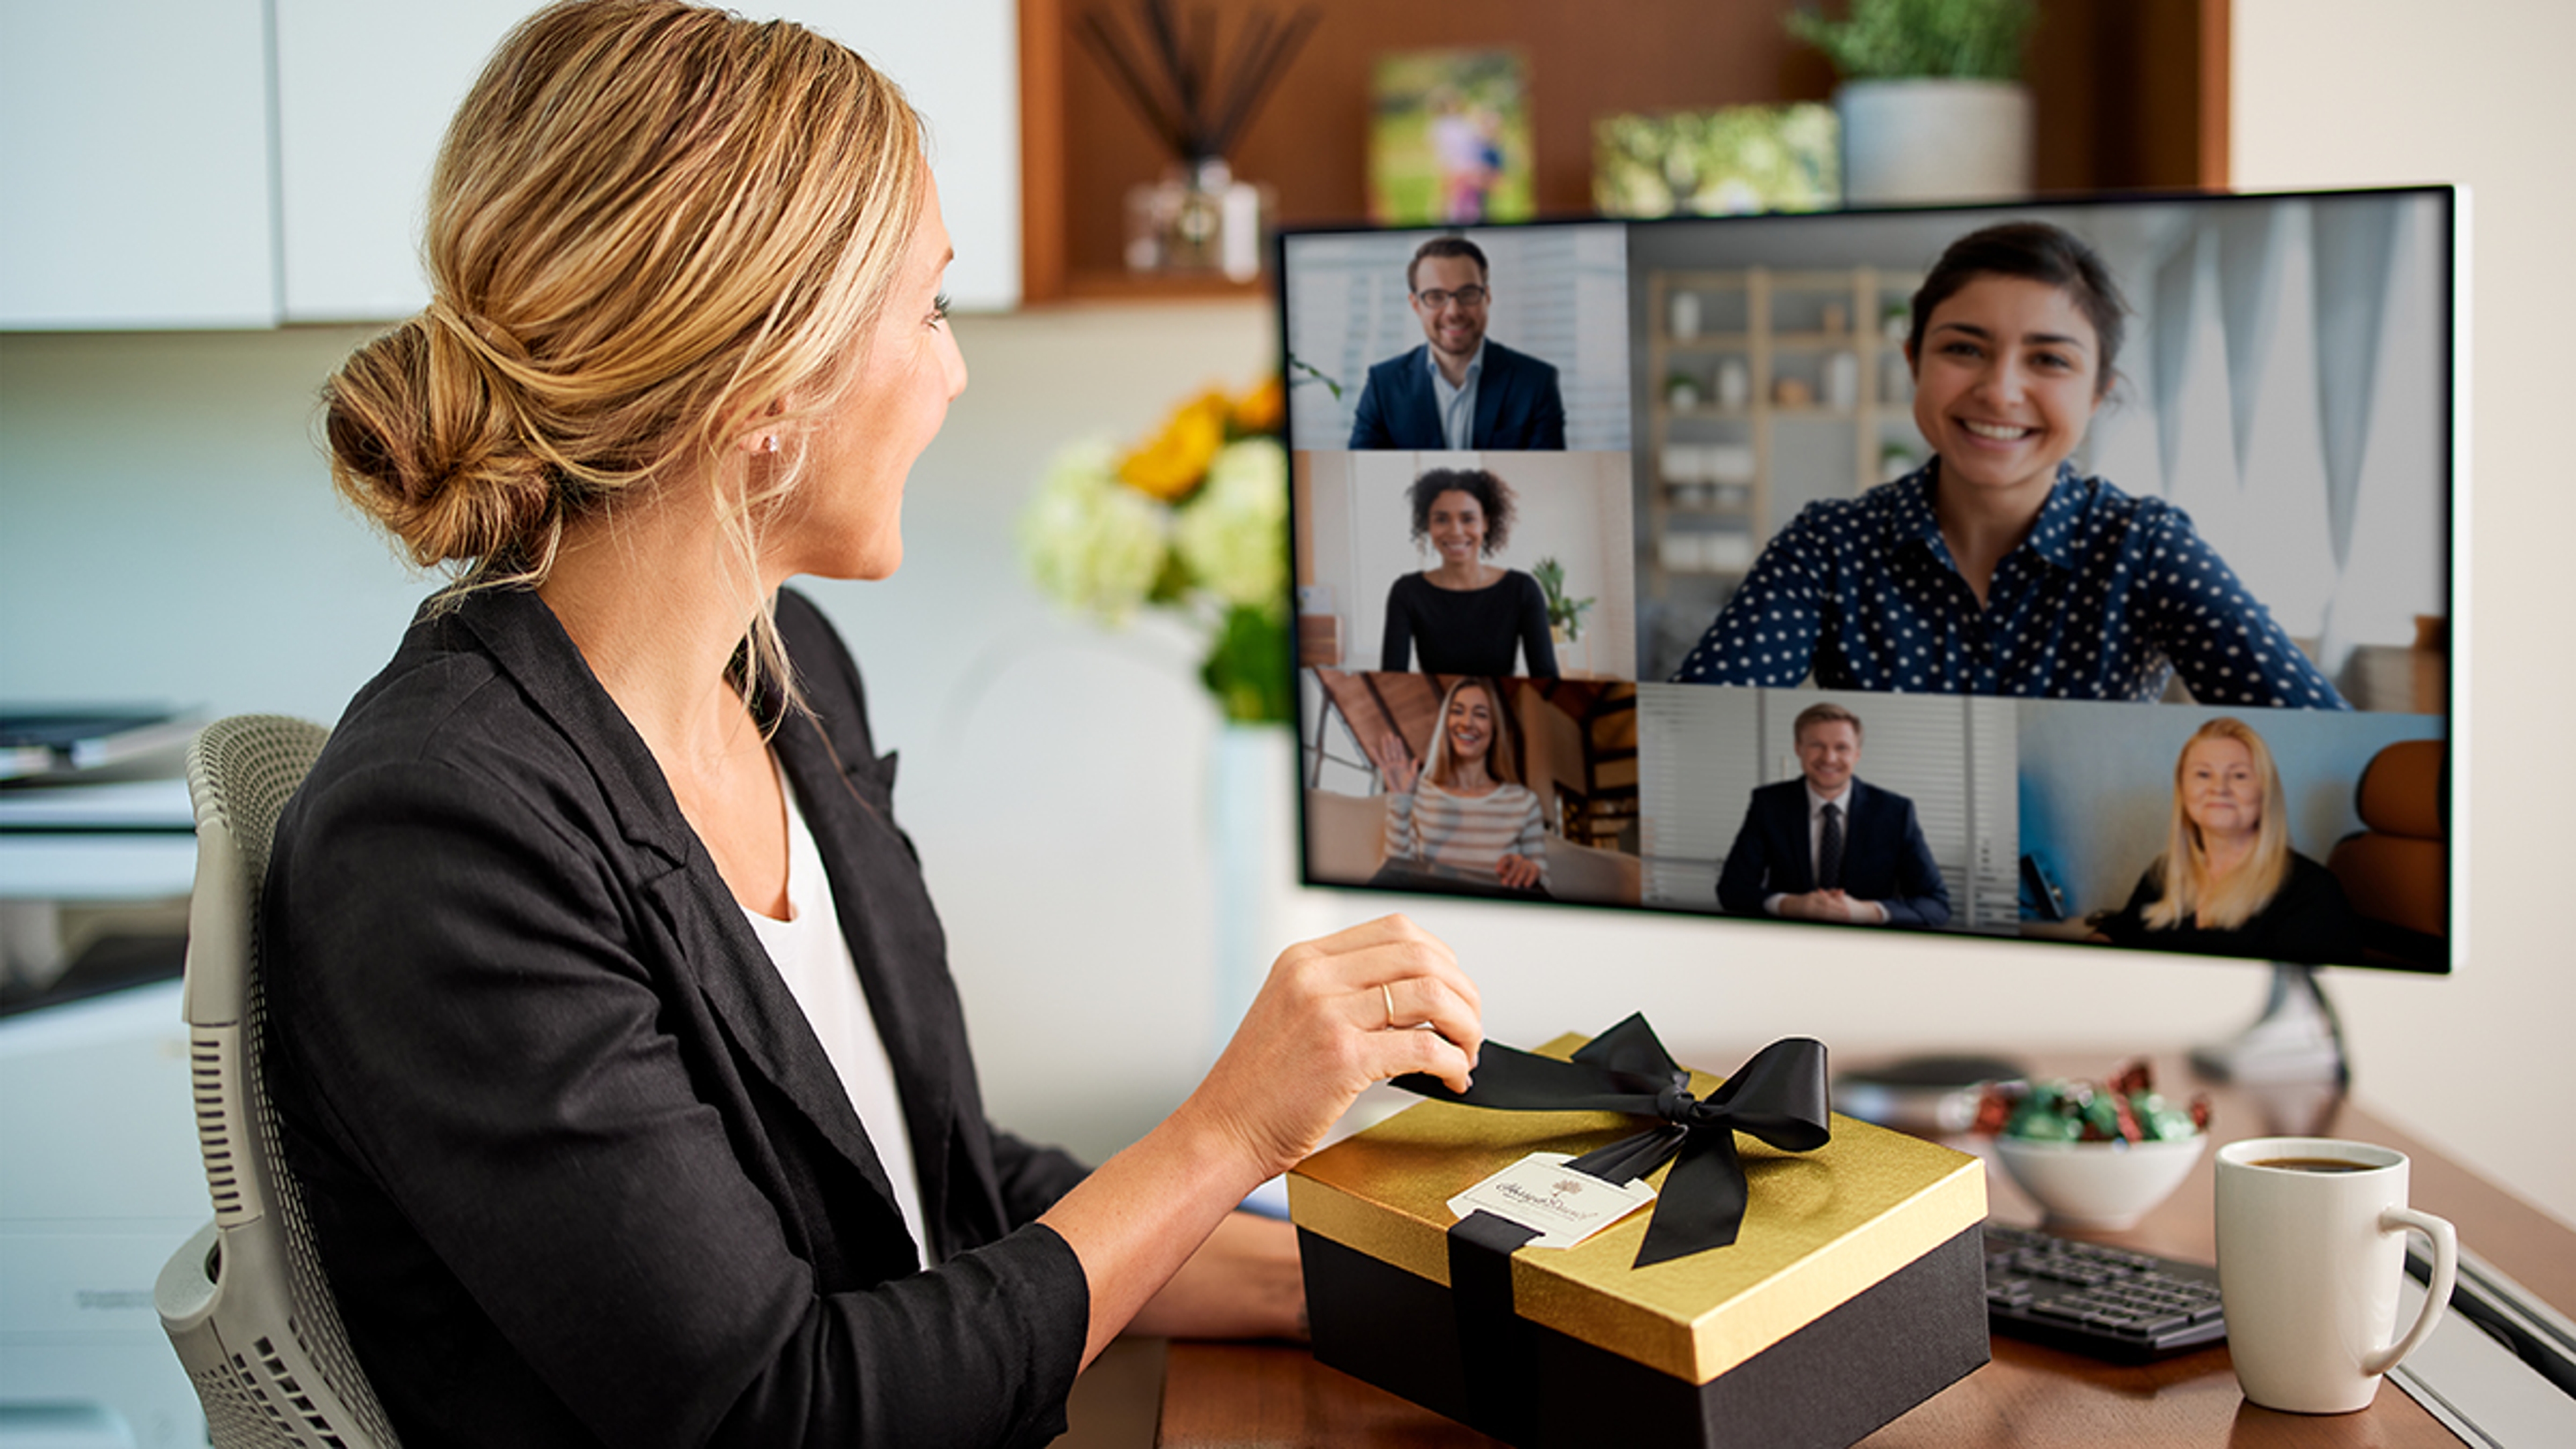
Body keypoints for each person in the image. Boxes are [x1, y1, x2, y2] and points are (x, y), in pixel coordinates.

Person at [263, 6, 1483, 1445]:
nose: (954, 373)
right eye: (931, 311)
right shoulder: (443, 835)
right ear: (769, 389)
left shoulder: (786, 677)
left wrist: (1393, 1287)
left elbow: (942, 1190)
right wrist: (1226, 1132)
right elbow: (787, 1413)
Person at [1671, 221, 2347, 709]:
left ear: (2098, 394)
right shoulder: (1828, 546)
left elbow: (2320, 740)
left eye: (2049, 360)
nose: (1999, 390)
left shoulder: (2146, 547)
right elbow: (1692, 736)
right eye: (1964, 349)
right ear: (1914, 362)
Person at [2090, 717, 2364, 963]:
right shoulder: (2163, 873)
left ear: (2265, 793)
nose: (2219, 788)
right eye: (2203, 774)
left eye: (2239, 776)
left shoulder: (2312, 892)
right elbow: (2119, 935)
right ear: (2183, 791)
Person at [1715, 703, 1950, 926]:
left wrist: (1866, 912)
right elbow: (1733, 890)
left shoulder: (1895, 812)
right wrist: (1791, 905)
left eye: (1842, 747)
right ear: (1798, 748)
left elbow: (1935, 903)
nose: (1829, 758)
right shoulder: (1769, 804)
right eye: (1817, 745)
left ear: (1857, 754)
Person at [1347, 236, 1566, 451]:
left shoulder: (1536, 383)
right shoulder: (1383, 385)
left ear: (1487, 297)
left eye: (1468, 294)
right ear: (1416, 305)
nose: (1453, 311)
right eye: (1435, 296)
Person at [1364, 678, 1549, 898]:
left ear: (1495, 729)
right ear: (1445, 723)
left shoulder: (1524, 802)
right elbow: (1396, 878)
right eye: (1457, 711)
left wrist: (1529, 872)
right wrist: (1401, 802)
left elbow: (1544, 887)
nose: (1467, 723)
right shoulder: (1419, 794)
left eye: (1480, 714)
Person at [1380, 466, 1558, 678]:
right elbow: (1392, 677)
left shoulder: (1522, 590)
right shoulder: (1406, 593)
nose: (1455, 531)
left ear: (1486, 523)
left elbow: (1546, 676)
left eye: (1468, 519)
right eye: (1442, 519)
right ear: (1428, 524)